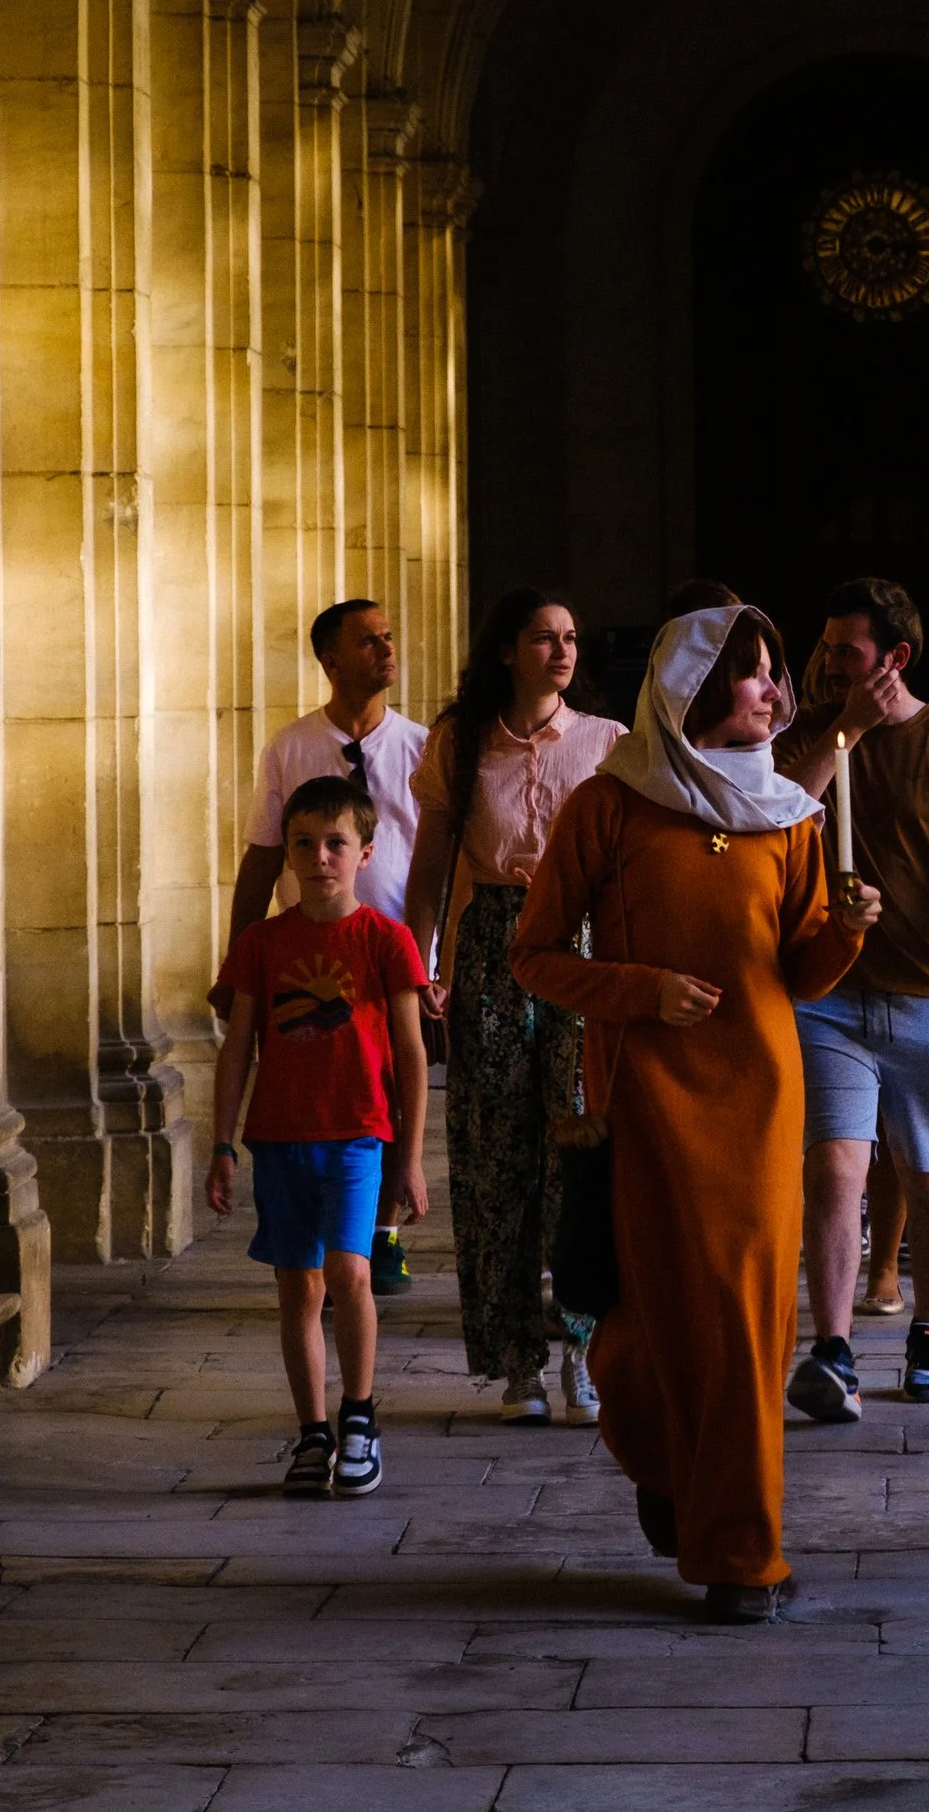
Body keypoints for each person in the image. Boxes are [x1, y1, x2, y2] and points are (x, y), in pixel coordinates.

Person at [514, 605, 880, 1624]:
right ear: (699, 686)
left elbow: (796, 971)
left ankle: (740, 1555)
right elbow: (534, 954)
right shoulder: (612, 804)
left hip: (761, 1105)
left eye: (775, 676)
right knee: (657, 1329)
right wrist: (642, 991)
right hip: (651, 1102)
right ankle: (670, 1463)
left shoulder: (791, 818)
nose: (778, 694)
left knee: (751, 1327)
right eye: (757, 675)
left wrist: (845, 933)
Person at [775, 577, 929, 1415]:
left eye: (848, 651)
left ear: (896, 658)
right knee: (837, 1164)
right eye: (829, 647)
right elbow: (783, 809)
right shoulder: (817, 729)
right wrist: (846, 727)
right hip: (831, 991)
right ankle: (834, 1350)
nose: (830, 662)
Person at [405, 588, 627, 1426]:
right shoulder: (460, 744)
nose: (563, 650)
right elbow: (430, 861)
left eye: (571, 637)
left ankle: (582, 1346)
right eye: (544, 637)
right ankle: (514, 1362)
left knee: (577, 1144)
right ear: (508, 650)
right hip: (494, 939)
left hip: (580, 942)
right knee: (496, 1154)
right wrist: (420, 956)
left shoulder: (608, 744)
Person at [205, 777, 431, 1499]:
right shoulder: (262, 944)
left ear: (365, 852)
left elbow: (411, 1053)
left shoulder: (384, 940)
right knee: (297, 1285)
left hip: (358, 1136)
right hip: (279, 1137)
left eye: (335, 843)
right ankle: (311, 1431)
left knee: (351, 1273)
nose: (319, 856)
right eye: (304, 842)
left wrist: (413, 1157)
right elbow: (238, 1046)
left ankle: (359, 1417)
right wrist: (221, 1142)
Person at [215, 598, 430, 1294]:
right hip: (309, 949)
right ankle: (334, 1235)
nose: (387, 649)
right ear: (331, 660)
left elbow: (438, 857)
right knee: (332, 1078)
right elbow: (261, 855)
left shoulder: (418, 746)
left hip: (391, 940)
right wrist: (235, 959)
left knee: (394, 1078)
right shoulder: (290, 745)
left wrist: (434, 954)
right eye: (370, 641)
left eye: (389, 637)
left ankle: (382, 1228)